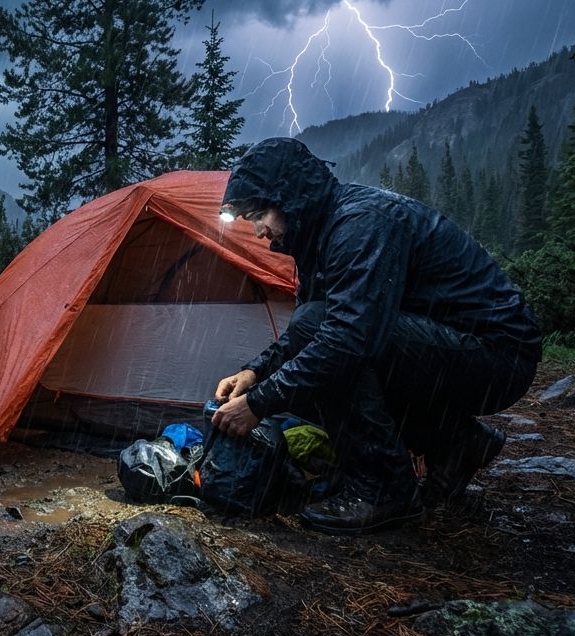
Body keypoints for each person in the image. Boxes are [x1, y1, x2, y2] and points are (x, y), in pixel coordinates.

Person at [212, 137, 542, 534]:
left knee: (336, 345)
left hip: (498, 355)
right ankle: (457, 443)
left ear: (292, 196)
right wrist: (255, 372)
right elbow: (311, 332)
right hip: (457, 349)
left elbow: (345, 337)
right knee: (315, 334)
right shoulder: (320, 236)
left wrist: (259, 404)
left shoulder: (361, 223)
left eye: (259, 214)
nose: (260, 232)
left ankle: (385, 488)